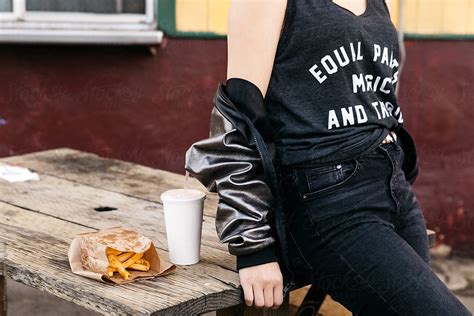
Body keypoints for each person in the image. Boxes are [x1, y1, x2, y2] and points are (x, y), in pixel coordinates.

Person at [225, 0, 472, 314]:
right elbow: (238, 119)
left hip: (393, 188)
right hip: (327, 202)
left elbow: (369, 93)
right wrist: (253, 247)